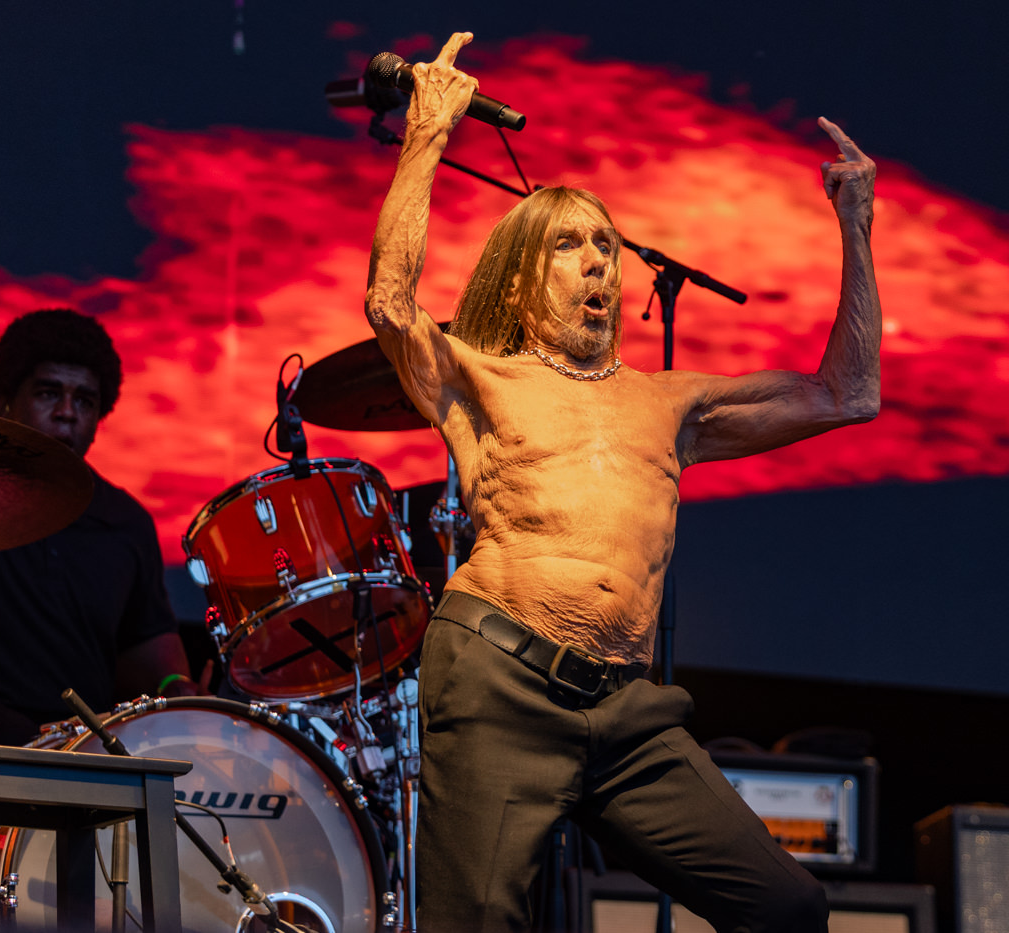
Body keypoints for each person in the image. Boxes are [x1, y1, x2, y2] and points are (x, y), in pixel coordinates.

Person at [364, 32, 880, 932]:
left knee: (788, 905)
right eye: (572, 246)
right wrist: (429, 133)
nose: (601, 260)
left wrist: (856, 225)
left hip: (626, 715)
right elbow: (390, 306)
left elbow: (850, 391)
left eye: (607, 245)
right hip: (499, 682)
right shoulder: (483, 375)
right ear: (526, 277)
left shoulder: (670, 404)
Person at [0, 308, 198, 746]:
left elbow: (146, 646)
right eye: (49, 393)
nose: (68, 413)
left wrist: (175, 686)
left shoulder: (124, 522)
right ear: (4, 401)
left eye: (85, 401)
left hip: (82, 749)